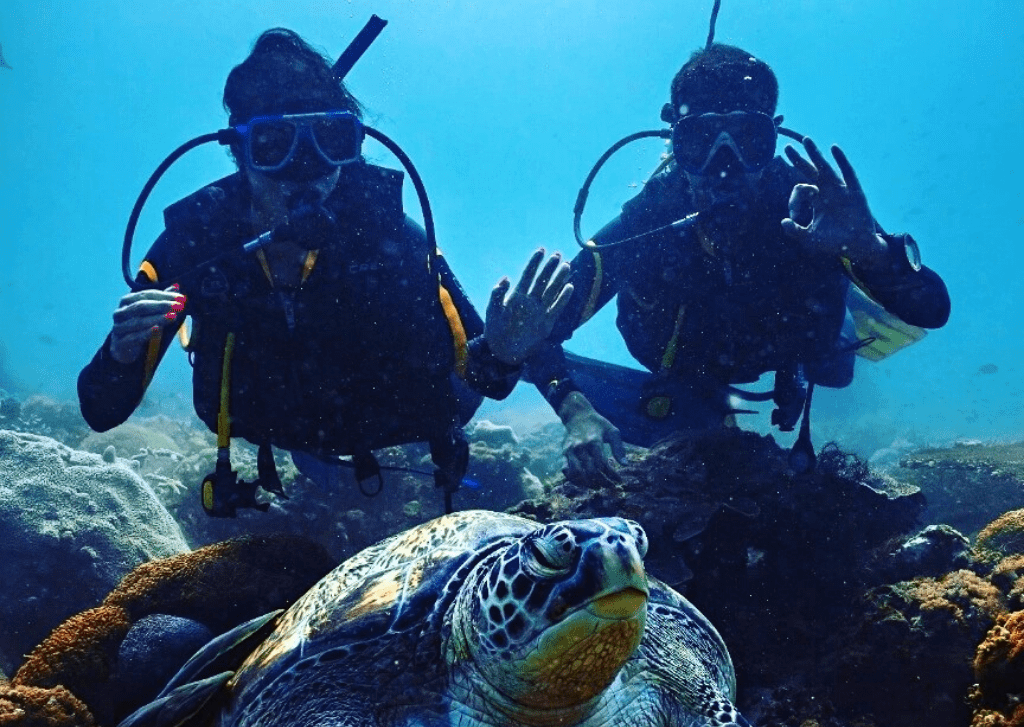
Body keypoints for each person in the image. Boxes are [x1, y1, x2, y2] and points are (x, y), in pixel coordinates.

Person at [78, 28, 571, 514]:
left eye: (330, 140)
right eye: (275, 145)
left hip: (392, 418)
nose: (306, 170)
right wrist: (121, 354)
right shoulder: (197, 241)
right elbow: (101, 412)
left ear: (352, 145)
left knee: (453, 387)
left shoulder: (391, 234)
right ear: (239, 150)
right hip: (273, 421)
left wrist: (505, 354)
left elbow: (486, 380)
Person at [525, 43, 950, 483]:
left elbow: (933, 310)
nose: (723, 167)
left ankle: (815, 347)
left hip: (792, 344)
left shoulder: (812, 209)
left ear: (773, 135)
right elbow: (533, 335)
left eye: (748, 141)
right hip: (689, 365)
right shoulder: (645, 223)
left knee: (836, 370)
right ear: (674, 142)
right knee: (692, 419)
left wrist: (871, 253)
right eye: (700, 142)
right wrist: (574, 409)